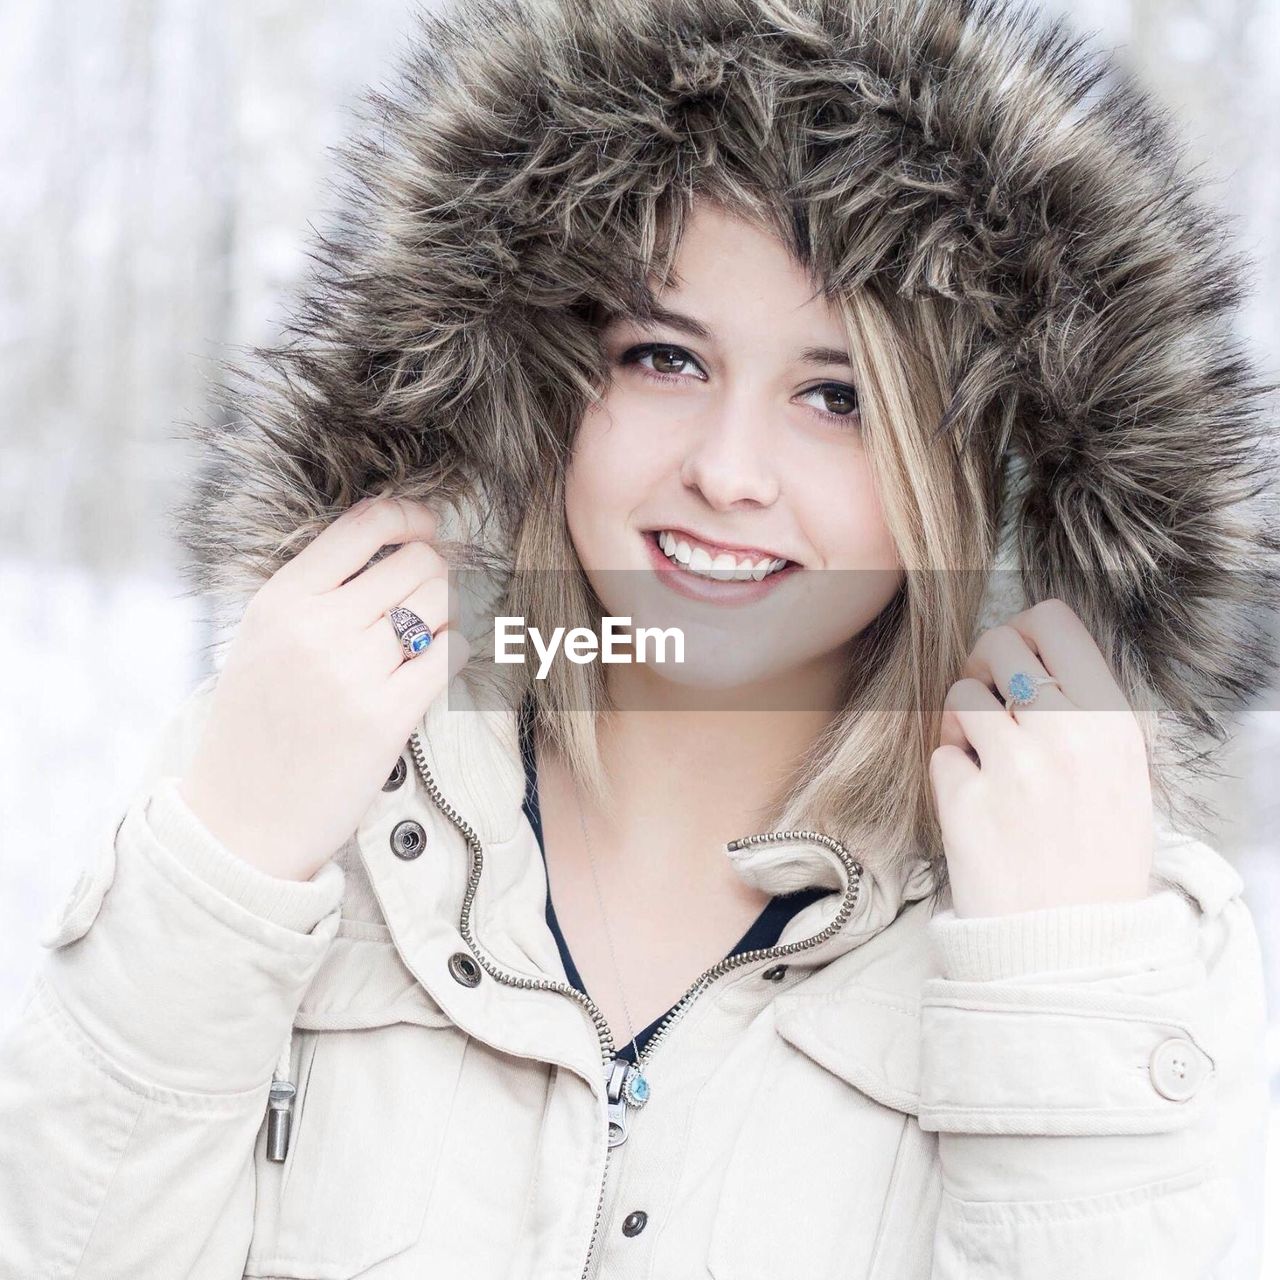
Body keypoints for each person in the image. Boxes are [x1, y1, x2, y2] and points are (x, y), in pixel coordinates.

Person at [3, 0, 1277, 1275]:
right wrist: (224, 863)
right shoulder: (313, 795)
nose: (728, 472)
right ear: (538, 382)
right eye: (664, 358)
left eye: (837, 396)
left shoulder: (1104, 918)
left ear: (981, 469)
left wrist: (1054, 984)